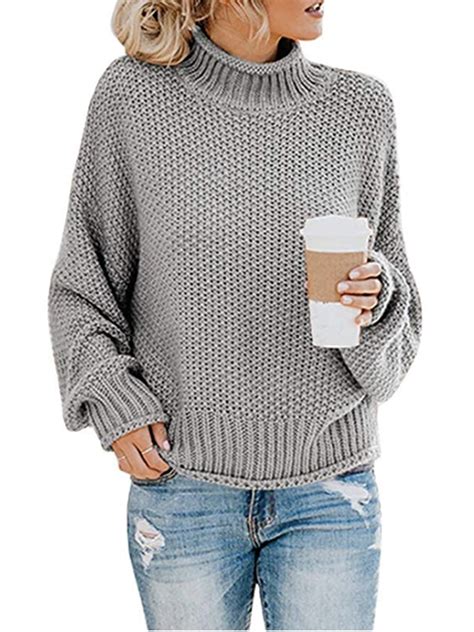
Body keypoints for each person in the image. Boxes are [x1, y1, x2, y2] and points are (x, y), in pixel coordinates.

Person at [47, 0, 423, 629]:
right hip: (183, 488)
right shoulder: (132, 97)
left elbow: (399, 316)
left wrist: (376, 298)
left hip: (331, 491)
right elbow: (82, 286)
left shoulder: (360, 108)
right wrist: (113, 400)